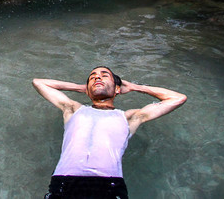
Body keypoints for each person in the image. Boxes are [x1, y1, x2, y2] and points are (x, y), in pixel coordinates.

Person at [33, 66, 187, 198]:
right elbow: (38, 83)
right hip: (64, 182)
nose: (97, 77)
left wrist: (135, 87)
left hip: (109, 185)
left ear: (117, 89)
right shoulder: (73, 109)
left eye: (104, 75)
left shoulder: (130, 117)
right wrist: (80, 88)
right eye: (92, 77)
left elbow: (178, 98)